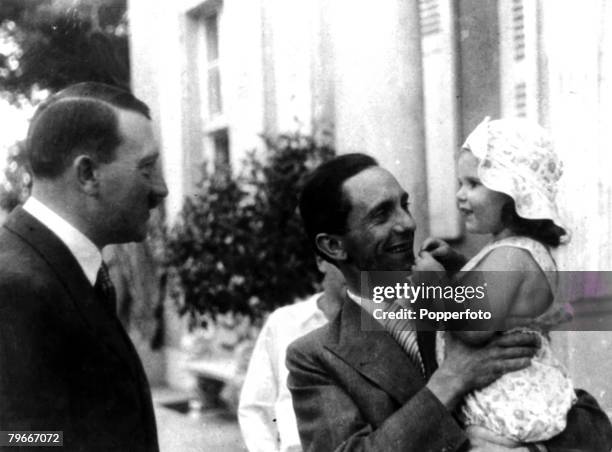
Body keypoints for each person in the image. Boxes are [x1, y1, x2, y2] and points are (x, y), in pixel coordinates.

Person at [286, 153, 612, 451]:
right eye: (381, 214)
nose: (407, 223)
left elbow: (583, 417)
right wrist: (449, 382)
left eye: (405, 205)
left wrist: (533, 451)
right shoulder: (315, 358)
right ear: (333, 246)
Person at [0, 82, 168, 452]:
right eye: (146, 168)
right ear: (88, 173)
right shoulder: (14, 287)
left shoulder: (53, 266)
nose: (161, 189)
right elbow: (13, 441)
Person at [414, 117, 584, 449]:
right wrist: (455, 265)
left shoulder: (511, 254)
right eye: (461, 183)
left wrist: (433, 285)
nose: (461, 195)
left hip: (506, 415)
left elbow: (475, 325)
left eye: (474, 184)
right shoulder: (513, 253)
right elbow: (491, 300)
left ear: (512, 194)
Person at [239, 258, 345, 452]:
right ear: (321, 260)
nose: (355, 272)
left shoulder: (384, 325)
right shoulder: (284, 322)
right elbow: (255, 409)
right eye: (346, 260)